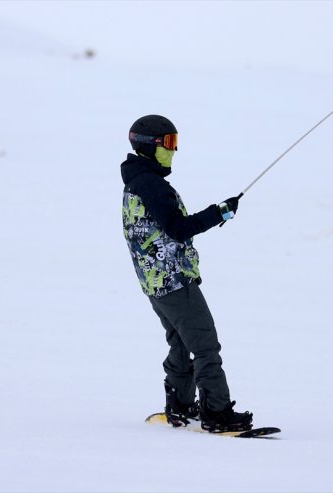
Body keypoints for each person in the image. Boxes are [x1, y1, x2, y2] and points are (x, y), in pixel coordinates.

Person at [120, 115, 253, 432]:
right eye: (169, 143)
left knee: (181, 343)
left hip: (156, 284)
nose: (174, 150)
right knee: (205, 345)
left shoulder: (137, 181)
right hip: (174, 280)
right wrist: (217, 213)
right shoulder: (150, 185)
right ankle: (216, 412)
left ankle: (180, 405)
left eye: (175, 142)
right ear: (150, 147)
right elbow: (178, 228)